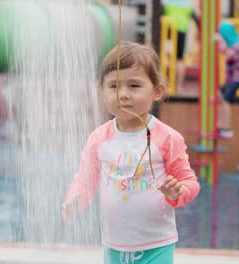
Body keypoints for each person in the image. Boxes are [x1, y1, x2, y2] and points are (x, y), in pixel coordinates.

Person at [61, 42, 200, 264]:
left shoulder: (167, 138)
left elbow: (190, 182)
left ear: (157, 91)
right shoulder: (99, 139)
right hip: (114, 245)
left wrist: (178, 192)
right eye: (114, 86)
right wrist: (75, 199)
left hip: (156, 244)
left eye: (134, 86)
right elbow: (85, 180)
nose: (123, 95)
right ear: (101, 90)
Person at [215, 21, 239, 138]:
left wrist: (221, 42)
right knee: (219, 96)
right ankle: (220, 124)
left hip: (236, 79)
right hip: (231, 79)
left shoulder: (238, 45)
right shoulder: (234, 44)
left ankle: (226, 128)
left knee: (226, 101)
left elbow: (228, 54)